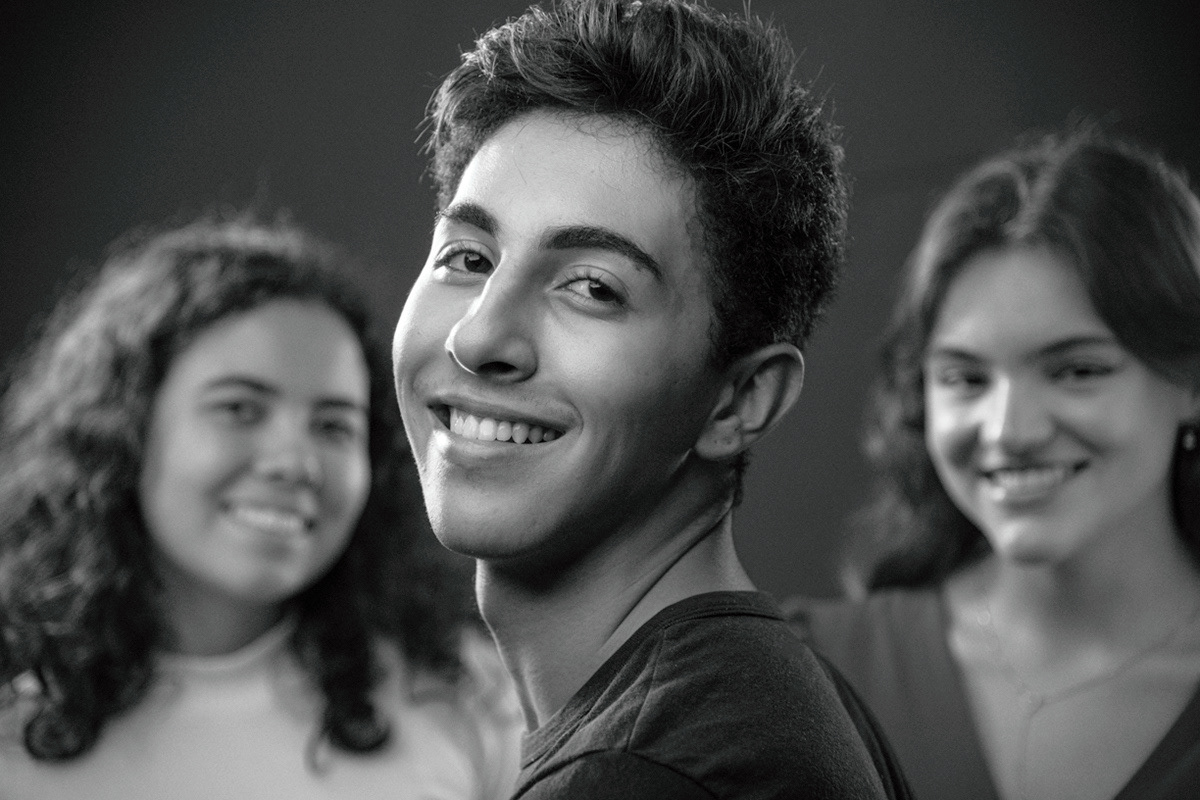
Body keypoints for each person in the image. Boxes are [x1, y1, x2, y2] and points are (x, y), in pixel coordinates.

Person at [392, 1, 910, 797]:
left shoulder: (645, 773)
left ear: (739, 400)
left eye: (592, 287)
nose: (480, 335)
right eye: (468, 257)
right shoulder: (762, 704)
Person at [0, 217, 522, 800]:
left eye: (333, 426)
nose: (295, 463)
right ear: (123, 429)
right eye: (239, 410)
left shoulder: (469, 698)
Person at [787, 127, 1200, 800]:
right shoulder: (814, 673)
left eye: (1076, 370)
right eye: (966, 378)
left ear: (1191, 383)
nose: (1011, 431)